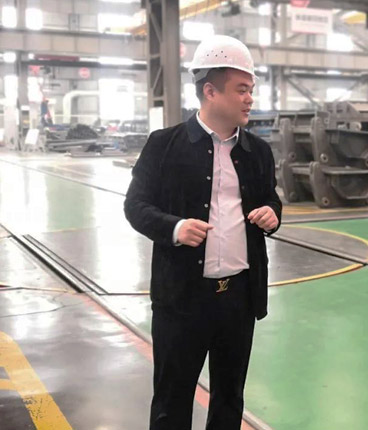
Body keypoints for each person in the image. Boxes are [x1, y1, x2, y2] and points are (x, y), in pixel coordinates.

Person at [124, 34, 281, 430]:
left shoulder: (258, 152)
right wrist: (175, 228)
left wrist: (272, 214)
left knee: (229, 398)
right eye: (241, 89)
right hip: (182, 300)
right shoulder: (164, 146)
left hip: (238, 299)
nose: (250, 99)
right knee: (172, 401)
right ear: (210, 91)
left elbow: (271, 199)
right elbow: (135, 206)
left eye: (251, 90)